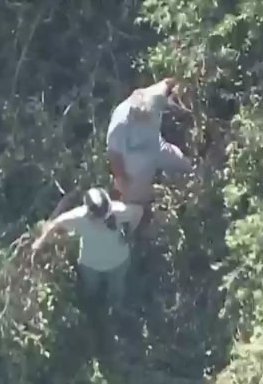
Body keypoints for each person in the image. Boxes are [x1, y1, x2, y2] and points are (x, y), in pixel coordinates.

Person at [31, 187, 142, 310]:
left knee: (116, 291)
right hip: (93, 265)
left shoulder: (118, 210)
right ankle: (92, 309)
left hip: (115, 264)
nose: (102, 219)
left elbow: (138, 211)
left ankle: (114, 313)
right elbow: (55, 225)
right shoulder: (78, 217)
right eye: (99, 216)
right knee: (91, 290)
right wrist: (40, 242)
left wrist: (130, 233)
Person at [106, 77, 193, 232]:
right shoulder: (121, 120)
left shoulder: (155, 96)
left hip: (156, 146)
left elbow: (169, 82)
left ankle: (192, 181)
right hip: (134, 159)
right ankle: (138, 225)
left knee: (185, 166)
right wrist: (122, 179)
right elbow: (114, 154)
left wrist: (181, 86)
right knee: (136, 201)